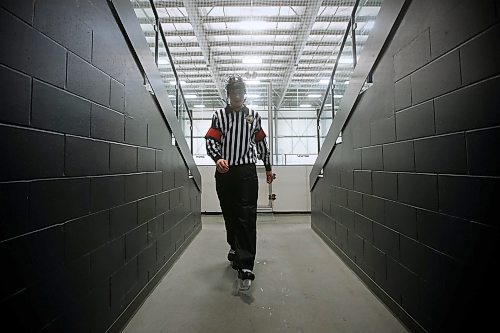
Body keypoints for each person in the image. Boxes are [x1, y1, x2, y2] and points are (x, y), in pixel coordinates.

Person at [205, 75, 274, 289]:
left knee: (246, 215)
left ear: (245, 94)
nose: (236, 96)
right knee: (230, 214)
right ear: (228, 95)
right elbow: (210, 141)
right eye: (233, 92)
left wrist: (268, 167)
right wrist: (218, 158)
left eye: (240, 92)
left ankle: (246, 266)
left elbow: (262, 142)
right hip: (225, 172)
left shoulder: (253, 117)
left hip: (246, 171)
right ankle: (234, 247)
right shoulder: (218, 116)